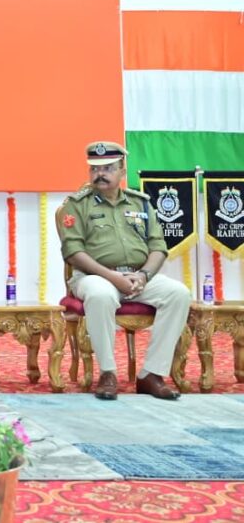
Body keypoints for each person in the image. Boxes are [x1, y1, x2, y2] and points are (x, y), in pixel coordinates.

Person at [58, 141, 191, 401]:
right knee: (101, 295)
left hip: (136, 276)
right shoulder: (77, 204)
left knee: (178, 293)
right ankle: (108, 373)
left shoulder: (140, 203)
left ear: (122, 170)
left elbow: (158, 247)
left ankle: (151, 374)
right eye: (95, 169)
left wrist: (143, 276)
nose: (100, 174)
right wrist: (113, 278)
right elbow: (73, 252)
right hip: (94, 277)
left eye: (108, 168)